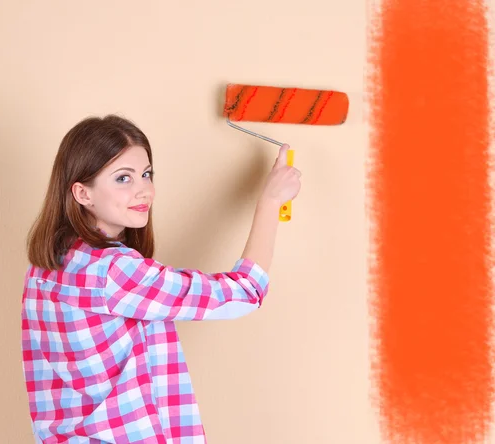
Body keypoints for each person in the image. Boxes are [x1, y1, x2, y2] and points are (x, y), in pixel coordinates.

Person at [20, 114, 301, 443]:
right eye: (123, 179)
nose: (144, 191)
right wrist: (270, 202)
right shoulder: (114, 271)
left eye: (146, 174)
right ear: (83, 193)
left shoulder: (45, 267)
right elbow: (244, 291)